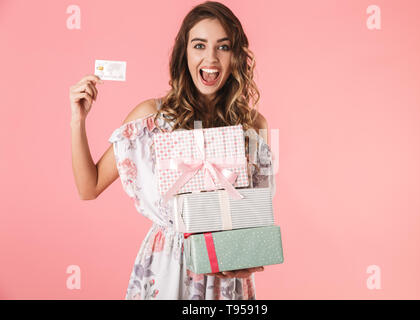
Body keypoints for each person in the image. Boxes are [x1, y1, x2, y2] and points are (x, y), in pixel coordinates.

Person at [69, 1, 276, 300]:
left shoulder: (252, 126)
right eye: (199, 45)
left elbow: (256, 220)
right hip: (166, 268)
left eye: (223, 47)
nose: (211, 58)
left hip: (224, 276)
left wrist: (247, 262)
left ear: (236, 57)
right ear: (184, 53)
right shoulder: (151, 119)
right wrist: (78, 119)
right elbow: (88, 188)